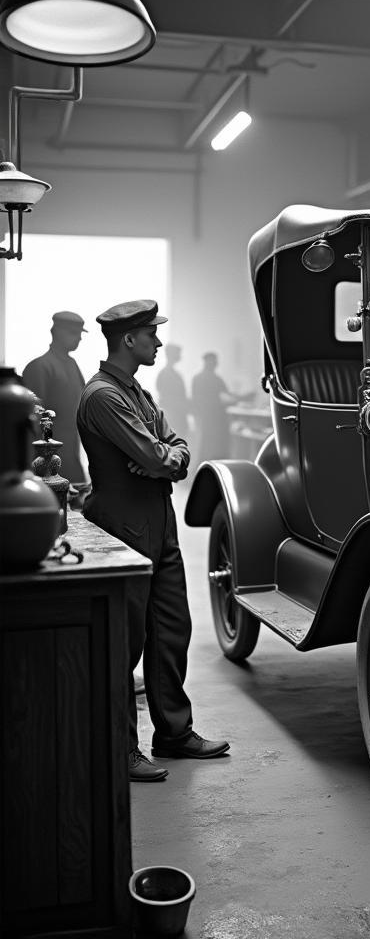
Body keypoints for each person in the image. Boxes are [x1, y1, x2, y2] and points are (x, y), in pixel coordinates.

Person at [77, 300, 229, 783]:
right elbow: (156, 453)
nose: (158, 342)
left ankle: (174, 734)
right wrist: (163, 456)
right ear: (128, 340)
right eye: (150, 335)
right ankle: (122, 748)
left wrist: (168, 456)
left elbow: (175, 448)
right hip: (123, 522)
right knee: (124, 642)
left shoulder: (134, 391)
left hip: (156, 520)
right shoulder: (104, 396)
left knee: (170, 630)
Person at [20, 311, 89, 491]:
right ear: (56, 332)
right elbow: (33, 423)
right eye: (74, 333)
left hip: (70, 454)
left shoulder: (72, 365)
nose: (79, 339)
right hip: (47, 461)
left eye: (80, 334)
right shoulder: (39, 367)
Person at [191, 351, 236, 463]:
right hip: (212, 417)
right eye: (214, 362)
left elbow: (227, 394)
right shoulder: (211, 378)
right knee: (212, 444)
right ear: (208, 363)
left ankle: (203, 465)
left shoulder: (200, 378)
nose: (216, 364)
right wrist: (240, 399)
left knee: (205, 444)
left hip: (206, 417)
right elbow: (226, 396)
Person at [156, 342, 190, 448]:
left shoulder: (171, 373)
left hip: (176, 413)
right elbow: (169, 397)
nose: (180, 356)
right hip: (173, 415)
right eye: (178, 353)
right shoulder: (166, 374)